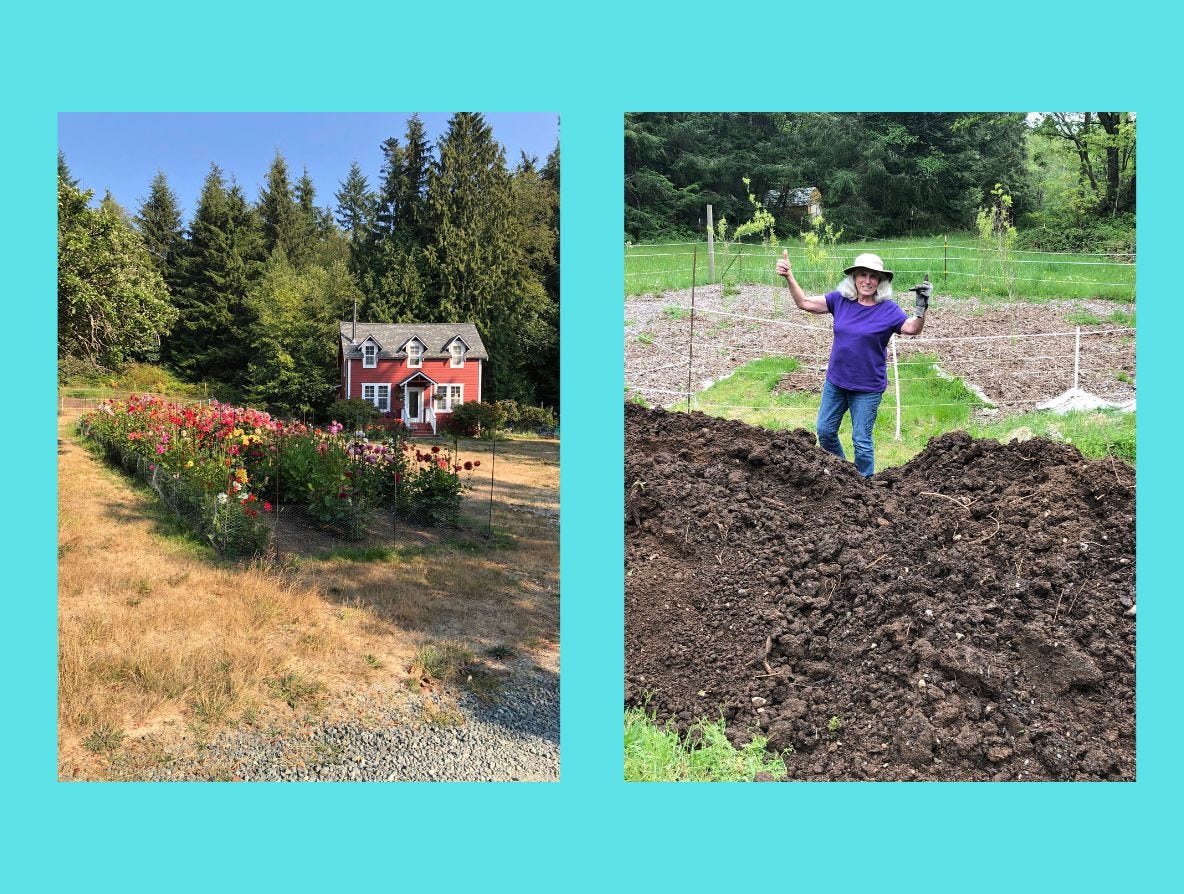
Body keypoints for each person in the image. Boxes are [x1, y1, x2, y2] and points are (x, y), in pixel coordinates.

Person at [775, 250, 930, 477]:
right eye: (862, 275)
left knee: (861, 441)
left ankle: (865, 484)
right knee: (825, 431)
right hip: (836, 382)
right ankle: (843, 474)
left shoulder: (888, 309)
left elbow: (912, 328)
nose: (867, 281)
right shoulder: (840, 300)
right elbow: (804, 302)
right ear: (854, 278)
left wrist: (921, 309)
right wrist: (789, 276)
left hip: (867, 387)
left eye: (873, 276)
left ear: (880, 281)